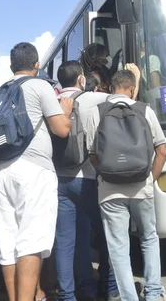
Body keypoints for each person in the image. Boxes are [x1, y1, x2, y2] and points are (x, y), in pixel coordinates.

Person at [0, 42, 73, 301]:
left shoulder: (0, 91)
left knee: (8, 241)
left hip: (1, 169)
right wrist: (66, 111)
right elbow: (61, 129)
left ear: (11, 65)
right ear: (37, 65)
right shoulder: (40, 86)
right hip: (33, 170)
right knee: (32, 241)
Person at [85, 68, 166, 301]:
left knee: (118, 249)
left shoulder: (96, 112)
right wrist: (149, 178)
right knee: (149, 238)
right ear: (132, 89)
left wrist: (107, 173)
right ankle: (153, 293)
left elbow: (93, 154)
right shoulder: (144, 110)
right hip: (141, 187)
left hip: (110, 191)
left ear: (111, 88)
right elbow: (162, 151)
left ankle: (129, 298)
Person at [54, 61, 119, 301]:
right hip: (88, 178)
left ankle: (71, 294)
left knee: (66, 240)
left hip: (60, 179)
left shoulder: (52, 101)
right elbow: (123, 100)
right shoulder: (92, 98)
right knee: (105, 234)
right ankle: (109, 286)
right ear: (81, 78)